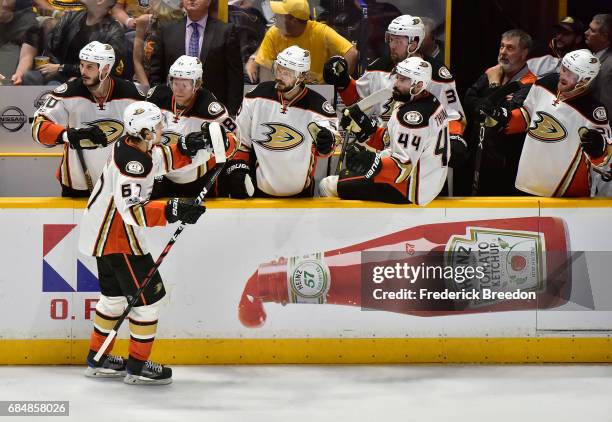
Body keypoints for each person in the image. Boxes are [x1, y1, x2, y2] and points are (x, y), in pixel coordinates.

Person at [79, 101, 215, 385]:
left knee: (114, 299)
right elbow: (133, 211)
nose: (161, 129)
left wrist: (187, 150)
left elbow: (159, 160)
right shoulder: (133, 163)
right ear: (143, 131)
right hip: (119, 238)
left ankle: (98, 358)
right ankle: (138, 366)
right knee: (147, 302)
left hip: (103, 234)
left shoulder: (135, 147)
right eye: (156, 126)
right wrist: (172, 209)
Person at [323, 15, 467, 167]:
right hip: (379, 145)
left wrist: (453, 137)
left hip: (418, 153)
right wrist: (343, 82)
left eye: (398, 41)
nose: (392, 45)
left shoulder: (437, 75)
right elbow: (358, 102)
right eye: (391, 39)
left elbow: (453, 116)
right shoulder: (378, 67)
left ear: (414, 43)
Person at [479, 49, 611, 197]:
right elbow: (528, 116)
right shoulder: (545, 84)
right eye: (564, 68)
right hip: (528, 180)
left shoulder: (593, 111)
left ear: (584, 80)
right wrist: (501, 115)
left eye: (570, 73)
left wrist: (599, 148)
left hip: (566, 191)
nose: (563, 75)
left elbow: (606, 160)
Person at [319, 57, 449, 205]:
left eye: (403, 80)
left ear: (418, 85)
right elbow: (391, 142)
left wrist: (370, 161)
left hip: (410, 188)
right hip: (429, 179)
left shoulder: (412, 118)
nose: (396, 83)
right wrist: (366, 129)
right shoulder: (429, 101)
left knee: (327, 185)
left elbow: (401, 170)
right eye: (397, 78)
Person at [31, 42, 145, 197]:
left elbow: (149, 134)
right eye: (81, 65)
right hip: (77, 184)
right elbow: (37, 128)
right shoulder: (67, 92)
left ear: (105, 69)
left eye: (90, 67)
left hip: (119, 182)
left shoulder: (132, 94)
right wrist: (68, 135)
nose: (83, 71)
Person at [232, 45, 339, 197]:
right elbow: (241, 141)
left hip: (301, 197)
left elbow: (329, 146)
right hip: (259, 194)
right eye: (278, 69)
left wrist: (327, 142)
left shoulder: (319, 108)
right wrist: (239, 168)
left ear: (302, 76)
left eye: (287, 73)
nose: (279, 76)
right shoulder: (255, 96)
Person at [146, 55, 247, 197]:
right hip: (163, 174)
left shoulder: (210, 108)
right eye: (175, 83)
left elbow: (235, 137)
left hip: (197, 177)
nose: (178, 90)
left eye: (184, 85)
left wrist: (223, 143)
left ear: (197, 85)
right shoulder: (156, 98)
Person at [462, 29, 536, 196]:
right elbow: (468, 101)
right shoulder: (494, 71)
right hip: (477, 154)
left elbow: (503, 116)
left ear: (524, 53)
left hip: (504, 161)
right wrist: (498, 98)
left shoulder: (530, 84)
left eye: (510, 48)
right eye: (502, 46)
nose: (503, 52)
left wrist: (495, 85)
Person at [149, 0, 243, 116]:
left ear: (208, 2)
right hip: (172, 110)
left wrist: (232, 114)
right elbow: (156, 74)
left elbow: (235, 78)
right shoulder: (167, 31)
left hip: (213, 111)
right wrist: (158, 104)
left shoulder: (226, 31)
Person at [12, 0, 125, 85]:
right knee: (29, 77)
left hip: (89, 80)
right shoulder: (71, 17)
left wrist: (64, 69)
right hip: (60, 73)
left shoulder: (114, 31)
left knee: (58, 85)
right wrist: (58, 70)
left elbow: (104, 68)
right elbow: (52, 48)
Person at [245, 0, 358, 84]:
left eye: (279, 16)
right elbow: (265, 68)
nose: (275, 19)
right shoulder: (274, 32)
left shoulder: (320, 32)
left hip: (318, 91)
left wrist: (337, 80)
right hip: (286, 90)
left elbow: (351, 53)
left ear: (293, 21)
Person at [585, 14, 612, 120]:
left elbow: (607, 107)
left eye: (592, 30)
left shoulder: (609, 66)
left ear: (604, 37)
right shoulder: (594, 56)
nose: (586, 33)